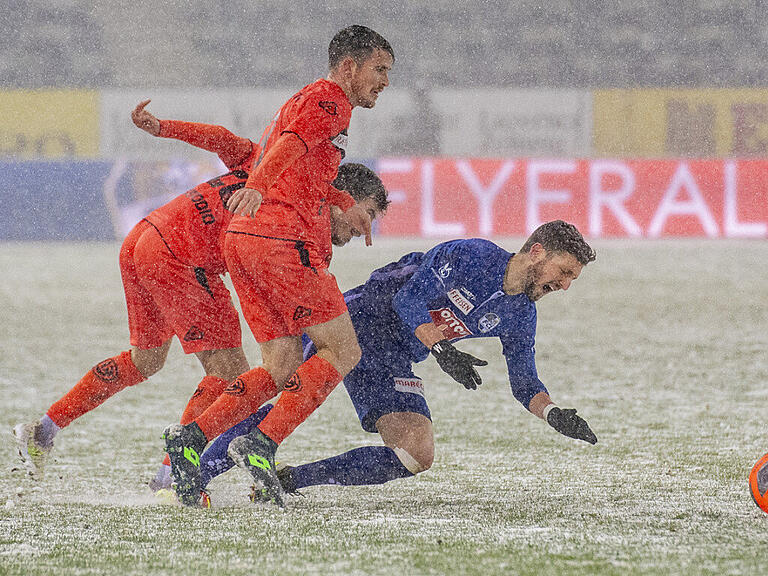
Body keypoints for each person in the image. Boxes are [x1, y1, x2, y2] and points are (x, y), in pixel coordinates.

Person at [13, 100, 386, 493]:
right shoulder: (301, 211)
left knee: (145, 360)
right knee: (228, 372)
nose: (364, 228)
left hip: (145, 236)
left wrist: (163, 128)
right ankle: (168, 478)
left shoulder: (266, 162)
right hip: (182, 254)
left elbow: (220, 138)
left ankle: (44, 429)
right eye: (367, 213)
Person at [196, 221, 598, 502]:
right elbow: (408, 299)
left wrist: (553, 414)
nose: (564, 286)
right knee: (288, 394)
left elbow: (524, 381)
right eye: (564, 272)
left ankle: (287, 481)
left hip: (393, 357)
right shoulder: (472, 255)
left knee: (415, 453)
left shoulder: (521, 313)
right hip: (354, 322)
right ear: (537, 251)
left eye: (571, 280)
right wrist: (442, 350)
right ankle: (192, 473)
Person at [163, 24, 395, 507]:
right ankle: (262, 443)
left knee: (279, 365)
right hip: (281, 240)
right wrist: (258, 186)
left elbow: (298, 164)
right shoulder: (332, 100)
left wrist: (341, 200)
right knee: (343, 349)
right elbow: (287, 146)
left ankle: (191, 439)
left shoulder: (307, 100)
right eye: (379, 69)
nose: (385, 82)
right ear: (348, 67)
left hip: (245, 241)